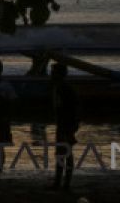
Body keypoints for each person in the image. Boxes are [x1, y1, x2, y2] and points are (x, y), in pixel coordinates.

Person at [50, 62, 79, 191]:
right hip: (63, 124)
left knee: (65, 153)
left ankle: (64, 183)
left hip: (65, 125)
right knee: (62, 153)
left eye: (54, 72)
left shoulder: (64, 88)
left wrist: (71, 126)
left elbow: (73, 108)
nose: (51, 74)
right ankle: (60, 182)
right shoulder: (59, 87)